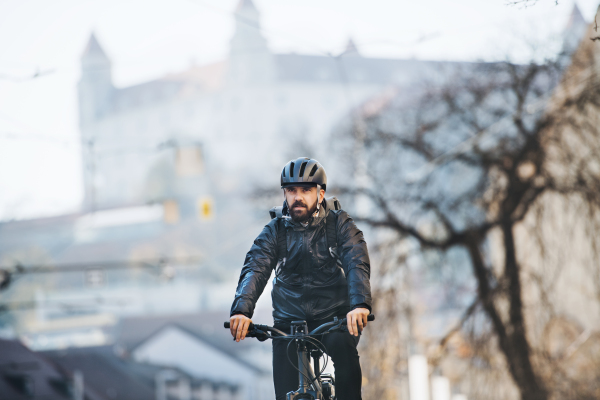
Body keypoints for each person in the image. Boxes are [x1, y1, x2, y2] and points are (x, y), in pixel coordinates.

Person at [229, 157, 372, 400]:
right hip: (288, 323)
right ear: (284, 194)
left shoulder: (339, 224)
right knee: (284, 392)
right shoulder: (274, 231)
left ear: (320, 193)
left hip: (334, 318)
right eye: (291, 190)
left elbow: (355, 260)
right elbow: (255, 267)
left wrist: (359, 305)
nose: (298, 196)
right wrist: (242, 310)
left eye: (306, 190)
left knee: (344, 353)